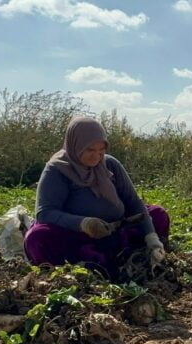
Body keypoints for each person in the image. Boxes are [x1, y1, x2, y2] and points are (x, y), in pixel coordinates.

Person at [24, 116, 169, 277]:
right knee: (37, 238)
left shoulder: (110, 164)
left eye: (101, 151)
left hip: (118, 230)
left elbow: (133, 202)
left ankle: (136, 256)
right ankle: (90, 266)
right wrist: (84, 224)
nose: (96, 157)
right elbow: (44, 213)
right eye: (90, 150)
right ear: (75, 145)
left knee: (158, 214)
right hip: (80, 237)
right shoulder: (57, 170)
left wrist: (151, 237)